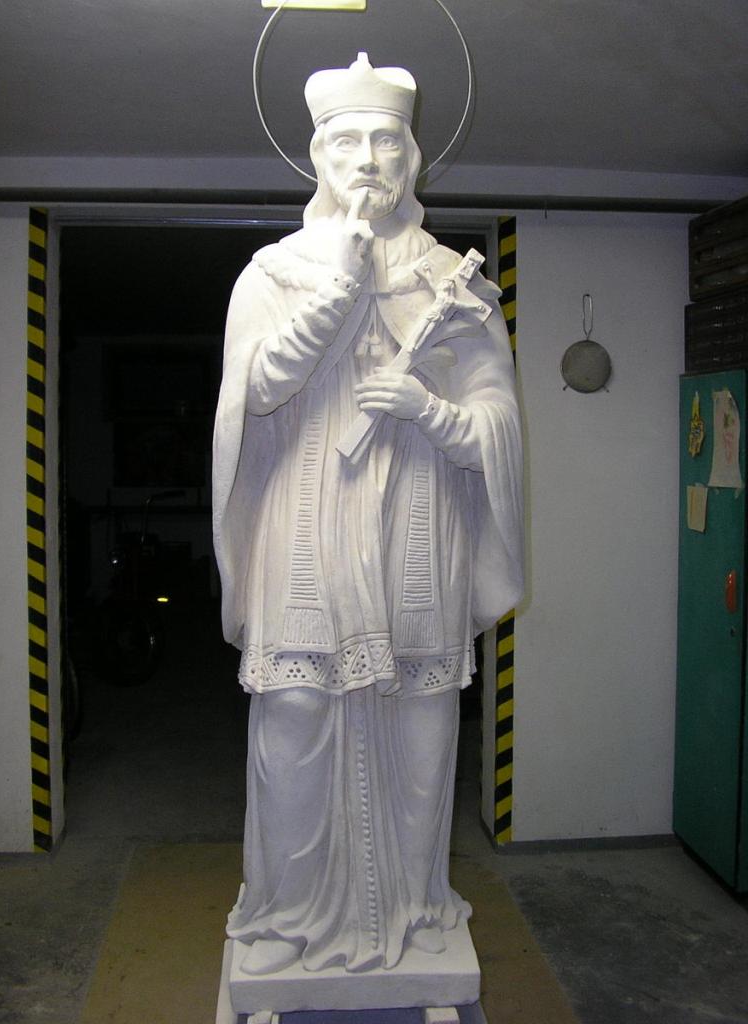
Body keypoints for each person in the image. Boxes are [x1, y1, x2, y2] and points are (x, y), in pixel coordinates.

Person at [212, 52, 523, 977]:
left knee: (422, 715)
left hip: (417, 526)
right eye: (347, 141)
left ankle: (417, 904)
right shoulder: (273, 274)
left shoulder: (453, 282)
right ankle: (288, 913)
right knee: (295, 707)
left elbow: (498, 423)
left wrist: (430, 410)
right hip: (302, 521)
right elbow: (252, 393)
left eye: (388, 140)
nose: (369, 159)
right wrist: (339, 290)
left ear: (412, 157)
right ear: (318, 157)